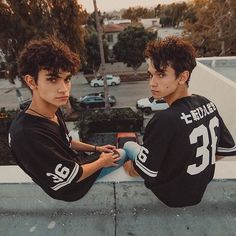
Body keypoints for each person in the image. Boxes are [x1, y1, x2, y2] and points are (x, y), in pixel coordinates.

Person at [123, 36, 236, 207]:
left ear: (183, 77)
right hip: (198, 190)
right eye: (150, 75)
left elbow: (144, 172)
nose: (152, 83)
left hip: (170, 196)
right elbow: (222, 151)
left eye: (161, 75)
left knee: (127, 146)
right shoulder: (207, 103)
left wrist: (129, 168)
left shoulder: (164, 120)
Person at [8, 37, 125, 202]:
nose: (64, 89)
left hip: (73, 164)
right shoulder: (27, 134)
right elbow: (72, 176)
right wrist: (101, 162)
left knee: (109, 152)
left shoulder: (51, 109)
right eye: (52, 79)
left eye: (67, 79)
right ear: (31, 81)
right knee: (123, 152)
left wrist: (97, 149)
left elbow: (67, 142)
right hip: (70, 189)